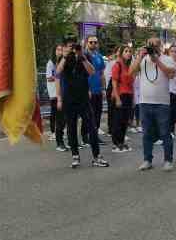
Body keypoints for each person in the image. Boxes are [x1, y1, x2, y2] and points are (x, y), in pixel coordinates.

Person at [56, 35, 106, 169]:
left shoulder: (84, 57)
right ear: (65, 47)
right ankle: (75, 156)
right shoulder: (63, 58)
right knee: (71, 128)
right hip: (69, 99)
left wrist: (81, 56)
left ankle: (96, 157)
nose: (72, 48)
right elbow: (58, 72)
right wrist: (65, 56)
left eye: (74, 45)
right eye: (69, 46)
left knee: (92, 128)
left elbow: (92, 71)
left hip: (83, 98)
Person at [131, 36, 176, 171]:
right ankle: (147, 160)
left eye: (156, 44)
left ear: (160, 46)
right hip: (145, 102)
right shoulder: (143, 59)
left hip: (162, 103)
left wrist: (157, 60)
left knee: (165, 133)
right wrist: (140, 56)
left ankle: (168, 160)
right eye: (150, 44)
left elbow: (171, 74)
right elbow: (131, 73)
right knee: (146, 133)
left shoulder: (167, 59)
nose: (153, 47)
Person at [109, 45, 135, 152]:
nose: (128, 53)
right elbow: (114, 83)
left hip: (128, 95)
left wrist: (133, 98)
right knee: (118, 120)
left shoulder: (129, 66)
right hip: (120, 95)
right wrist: (117, 98)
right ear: (121, 53)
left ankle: (122, 141)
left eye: (130, 51)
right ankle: (116, 143)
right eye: (126, 51)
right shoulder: (117, 65)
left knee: (125, 121)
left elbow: (131, 84)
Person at [46, 44, 67, 153]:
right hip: (54, 93)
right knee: (56, 114)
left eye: (62, 49)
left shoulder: (66, 61)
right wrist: (56, 77)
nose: (60, 51)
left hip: (64, 94)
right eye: (58, 49)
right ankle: (55, 135)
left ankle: (60, 135)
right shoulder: (51, 63)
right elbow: (50, 77)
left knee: (63, 117)